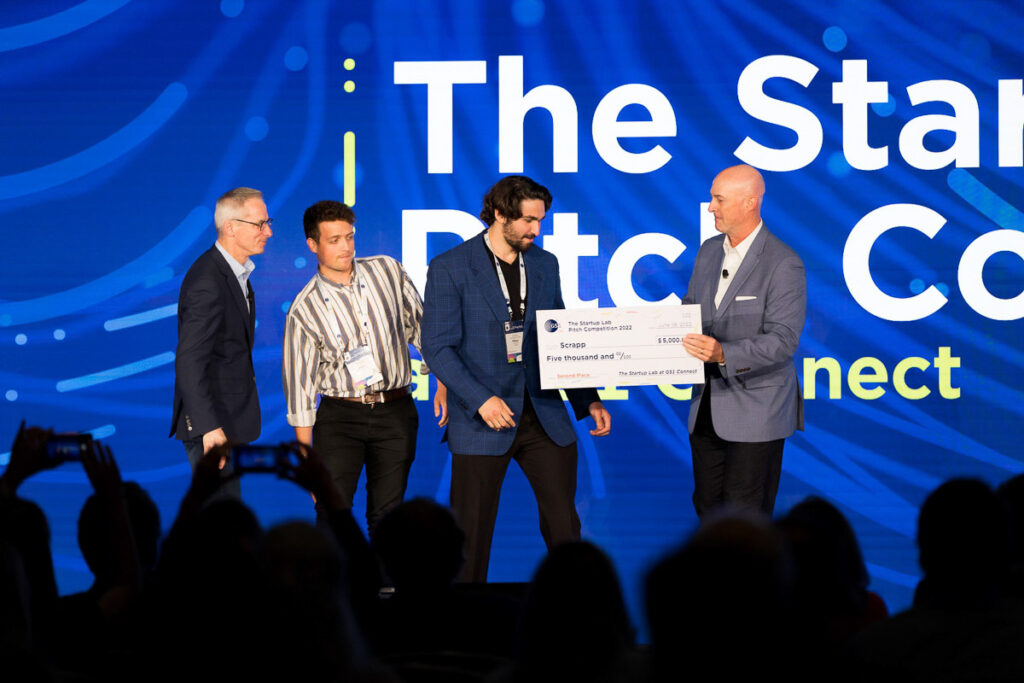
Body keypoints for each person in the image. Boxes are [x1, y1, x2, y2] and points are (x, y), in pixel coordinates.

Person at [421, 175, 611, 583]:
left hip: (544, 416)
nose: (535, 230)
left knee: (566, 530)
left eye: (540, 221)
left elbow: (560, 338)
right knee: (469, 538)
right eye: (527, 221)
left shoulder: (545, 264)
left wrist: (587, 400)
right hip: (482, 419)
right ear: (500, 214)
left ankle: (577, 625)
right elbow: (437, 347)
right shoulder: (450, 267)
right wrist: (481, 400)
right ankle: (465, 636)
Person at [283, 200, 443, 532]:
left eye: (349, 236)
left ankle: (385, 585)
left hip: (395, 409)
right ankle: (332, 585)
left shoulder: (388, 270)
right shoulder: (304, 307)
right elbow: (299, 393)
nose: (346, 247)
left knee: (389, 515)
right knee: (332, 510)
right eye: (334, 240)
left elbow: (424, 330)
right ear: (312, 245)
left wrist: (442, 381)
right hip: (340, 416)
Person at [681, 164, 805, 519]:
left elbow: (783, 340)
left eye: (718, 199)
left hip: (757, 412)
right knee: (707, 509)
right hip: (706, 409)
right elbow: (691, 312)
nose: (710, 207)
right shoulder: (707, 252)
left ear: (749, 202)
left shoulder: (784, 263)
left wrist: (723, 353)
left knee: (745, 518)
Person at [169, 187, 271, 497]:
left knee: (227, 525)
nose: (268, 231)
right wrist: (209, 428)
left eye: (268, 222)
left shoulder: (234, 273)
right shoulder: (208, 281)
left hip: (227, 421)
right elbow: (189, 361)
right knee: (221, 528)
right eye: (260, 224)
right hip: (212, 428)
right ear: (231, 228)